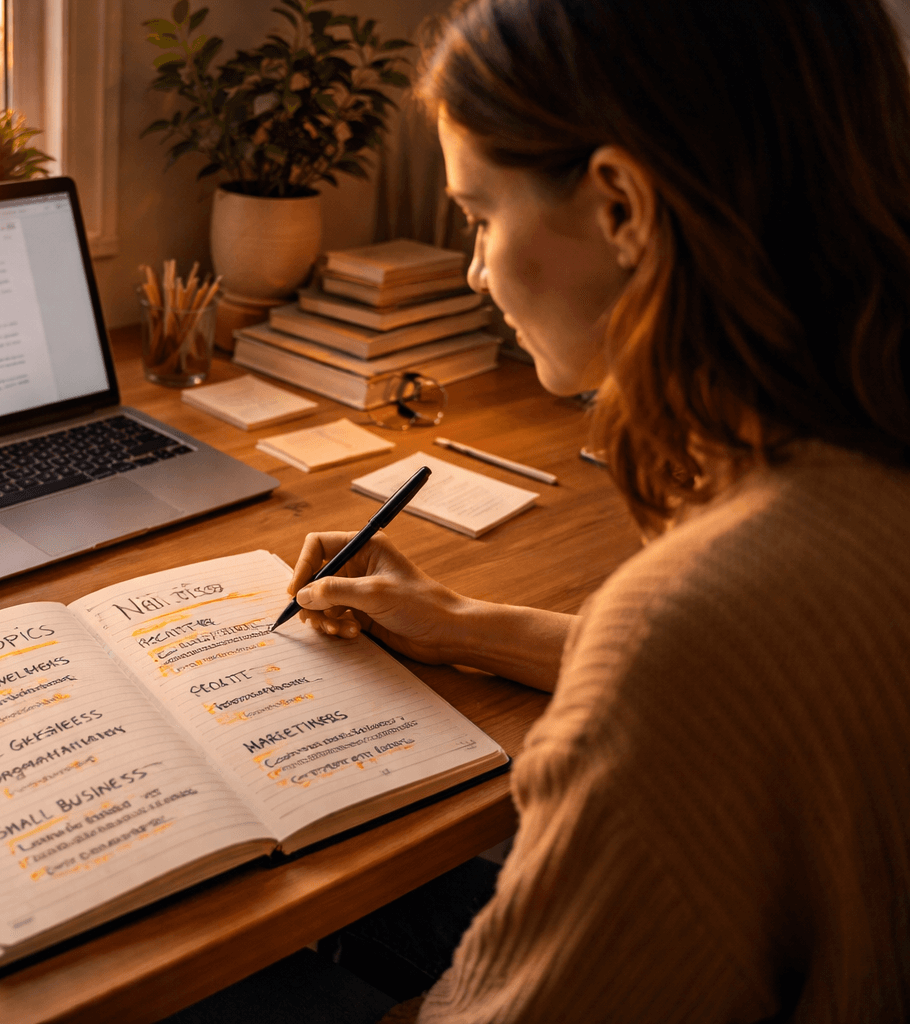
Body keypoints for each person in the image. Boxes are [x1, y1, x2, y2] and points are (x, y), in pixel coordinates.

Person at [287, 0, 910, 1020]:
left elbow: (700, 660)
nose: (478, 268)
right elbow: (762, 687)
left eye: (482, 216)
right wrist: (464, 625)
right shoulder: (859, 450)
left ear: (622, 206)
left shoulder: (700, 622)